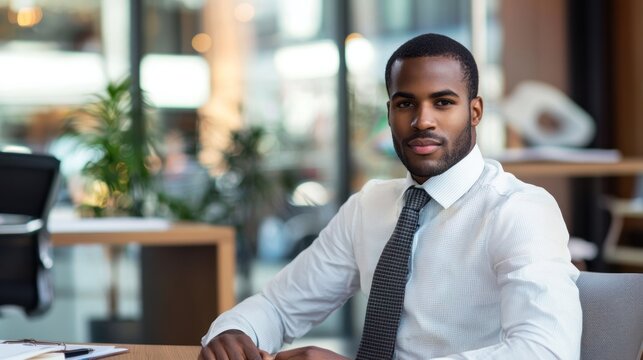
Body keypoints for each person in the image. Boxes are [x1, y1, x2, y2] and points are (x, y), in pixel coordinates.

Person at [199, 33, 582, 360]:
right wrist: (237, 332)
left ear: (475, 111)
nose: (422, 120)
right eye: (405, 104)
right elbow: (279, 306)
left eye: (443, 102)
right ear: (390, 113)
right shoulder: (369, 207)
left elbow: (546, 351)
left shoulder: (519, 210)